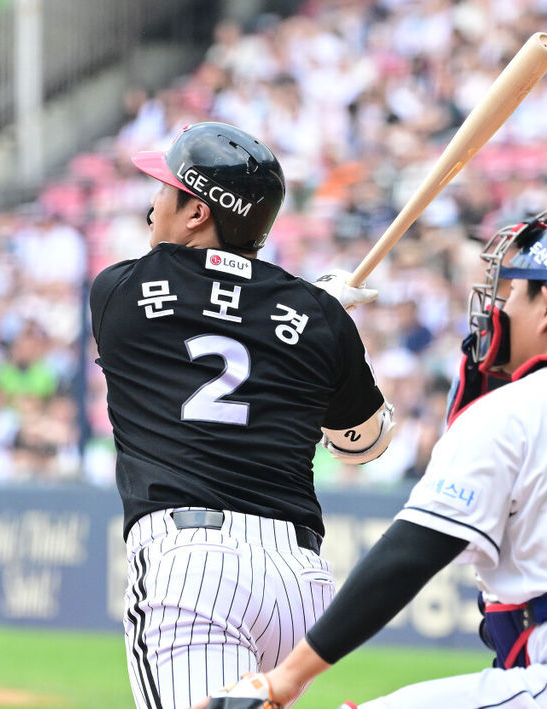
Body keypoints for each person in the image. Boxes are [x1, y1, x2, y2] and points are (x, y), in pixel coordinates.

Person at [197, 211, 547, 709]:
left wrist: (281, 679)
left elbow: (409, 557)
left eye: (515, 293)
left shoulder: (519, 410)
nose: (500, 308)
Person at [89, 122, 394, 709]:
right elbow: (364, 446)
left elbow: (210, 307)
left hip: (191, 569)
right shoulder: (317, 316)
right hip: (298, 583)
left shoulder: (118, 291)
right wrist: (321, 320)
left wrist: (312, 308)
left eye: (164, 189)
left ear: (198, 212)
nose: (153, 205)